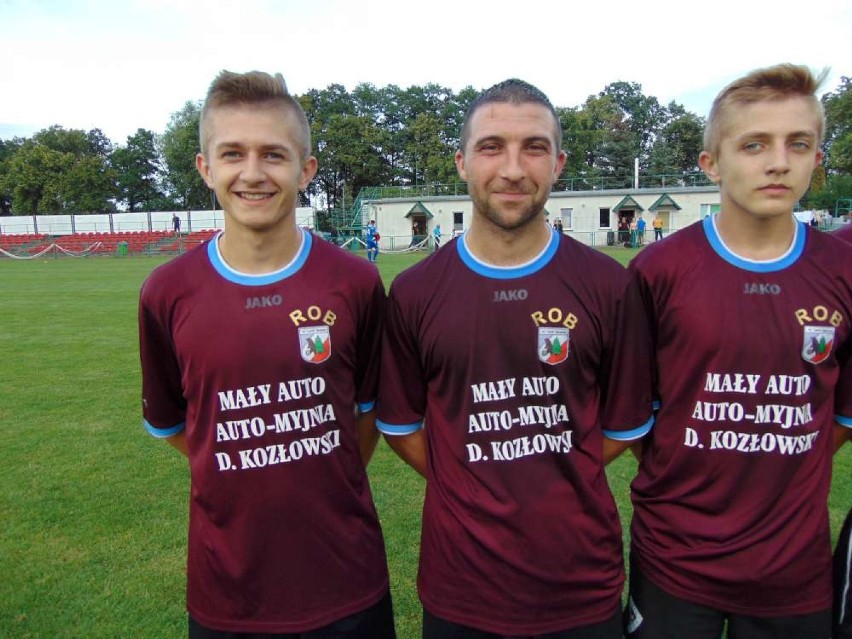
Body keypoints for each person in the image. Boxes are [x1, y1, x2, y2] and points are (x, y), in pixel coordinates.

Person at [376, 78, 654, 638]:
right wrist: (470, 477)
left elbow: (624, 425)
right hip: (461, 588)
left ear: (558, 163)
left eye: (533, 147)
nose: (512, 168)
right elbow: (401, 426)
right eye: (490, 147)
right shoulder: (413, 292)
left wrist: (553, 472)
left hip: (580, 583)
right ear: (461, 162)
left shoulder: (609, 286)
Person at [138, 70, 395, 639]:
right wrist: (249, 466)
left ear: (305, 170)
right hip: (227, 593)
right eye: (232, 153)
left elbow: (369, 414)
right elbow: (183, 428)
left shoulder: (355, 282)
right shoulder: (166, 292)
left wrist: (314, 469)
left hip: (347, 583)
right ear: (206, 167)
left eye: (273, 155)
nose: (252, 173)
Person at [623, 64, 852, 639]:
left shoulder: (842, 271)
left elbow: (838, 416)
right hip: (674, 561)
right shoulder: (658, 270)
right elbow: (637, 414)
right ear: (711, 163)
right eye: (754, 145)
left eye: (798, 144)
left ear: (816, 158)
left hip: (791, 568)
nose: (778, 161)